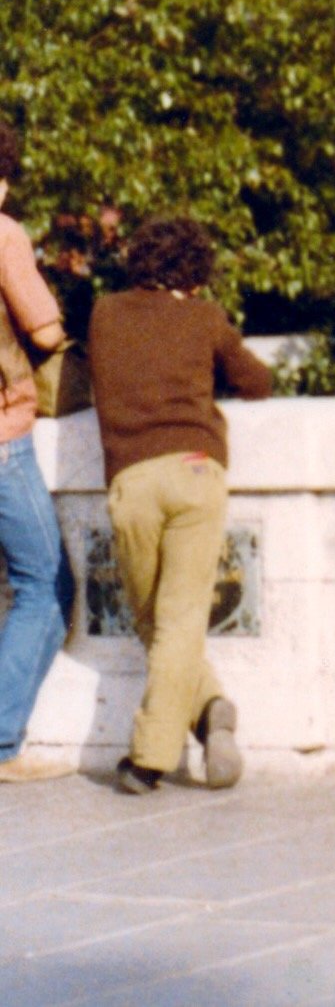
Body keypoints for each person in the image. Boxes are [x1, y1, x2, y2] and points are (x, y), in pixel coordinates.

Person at [87, 216, 274, 796]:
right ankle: (209, 707)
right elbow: (257, 383)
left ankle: (150, 753)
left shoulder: (104, 313)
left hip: (133, 480)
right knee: (176, 621)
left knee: (155, 621)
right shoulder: (205, 317)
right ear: (195, 274)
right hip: (196, 472)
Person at [0, 121, 78, 783]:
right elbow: (44, 326)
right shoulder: (4, 233)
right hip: (1, 439)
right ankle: (0, 741)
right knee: (47, 584)